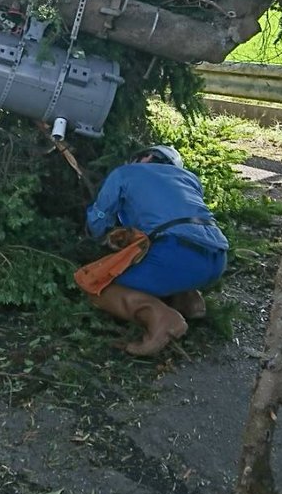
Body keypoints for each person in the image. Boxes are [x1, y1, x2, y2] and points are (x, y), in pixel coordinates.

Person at [82, 145, 228, 355]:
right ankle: (191, 301)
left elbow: (99, 219)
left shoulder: (125, 173)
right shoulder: (189, 179)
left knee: (98, 287)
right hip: (217, 257)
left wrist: (98, 239)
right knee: (165, 254)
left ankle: (162, 319)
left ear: (148, 156)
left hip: (176, 254)